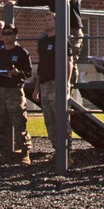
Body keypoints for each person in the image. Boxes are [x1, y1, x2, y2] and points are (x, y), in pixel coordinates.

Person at [11, 0, 84, 87]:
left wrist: (67, 0)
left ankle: (69, 84)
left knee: (70, 57)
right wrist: (17, 2)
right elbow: (36, 0)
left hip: (72, 30)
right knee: (42, 39)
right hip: (57, 30)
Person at [32, 12, 73, 159]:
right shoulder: (42, 42)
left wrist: (67, 83)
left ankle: (67, 153)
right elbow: (41, 65)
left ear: (56, 22)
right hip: (44, 84)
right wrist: (36, 88)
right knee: (49, 119)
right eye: (45, 20)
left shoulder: (62, 40)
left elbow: (69, 62)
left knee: (61, 118)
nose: (46, 22)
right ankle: (57, 150)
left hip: (58, 83)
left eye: (49, 20)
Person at [0, 23, 33, 165]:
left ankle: (25, 152)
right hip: (0, 91)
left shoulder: (21, 52)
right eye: (4, 34)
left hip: (15, 91)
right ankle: (4, 152)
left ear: (15, 35)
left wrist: (17, 73)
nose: (6, 36)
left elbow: (28, 74)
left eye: (9, 34)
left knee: (19, 121)